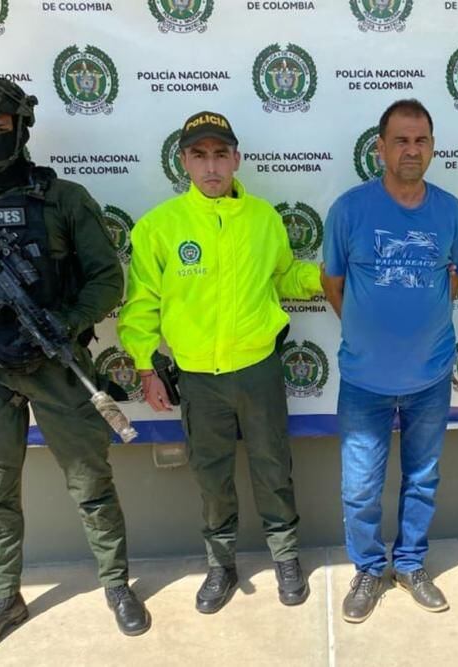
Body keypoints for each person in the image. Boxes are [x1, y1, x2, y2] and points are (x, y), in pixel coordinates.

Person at [0, 68, 149, 658]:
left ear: (21, 128)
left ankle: (116, 585)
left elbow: (106, 281)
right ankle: (3, 596)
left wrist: (58, 328)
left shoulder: (64, 199)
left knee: (90, 482)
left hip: (57, 367)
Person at [117, 110, 321, 612]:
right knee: (212, 475)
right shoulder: (160, 227)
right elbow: (142, 303)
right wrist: (146, 365)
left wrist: (330, 276)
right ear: (183, 161)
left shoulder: (263, 219)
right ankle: (220, 565)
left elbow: (286, 277)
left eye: (220, 154)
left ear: (236, 158)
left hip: (257, 368)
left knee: (274, 466)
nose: (211, 166)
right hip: (198, 377)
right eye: (199, 155)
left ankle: (286, 557)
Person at [322, 99, 458, 623]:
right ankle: (368, 568)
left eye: (421, 140)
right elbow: (331, 280)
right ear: (380, 148)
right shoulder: (349, 209)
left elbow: (454, 275)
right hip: (364, 378)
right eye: (401, 140)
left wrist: (419, 329)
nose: (412, 150)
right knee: (360, 485)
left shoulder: (449, 210)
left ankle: (410, 564)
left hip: (431, 376)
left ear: (432, 147)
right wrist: (367, 328)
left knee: (423, 476)